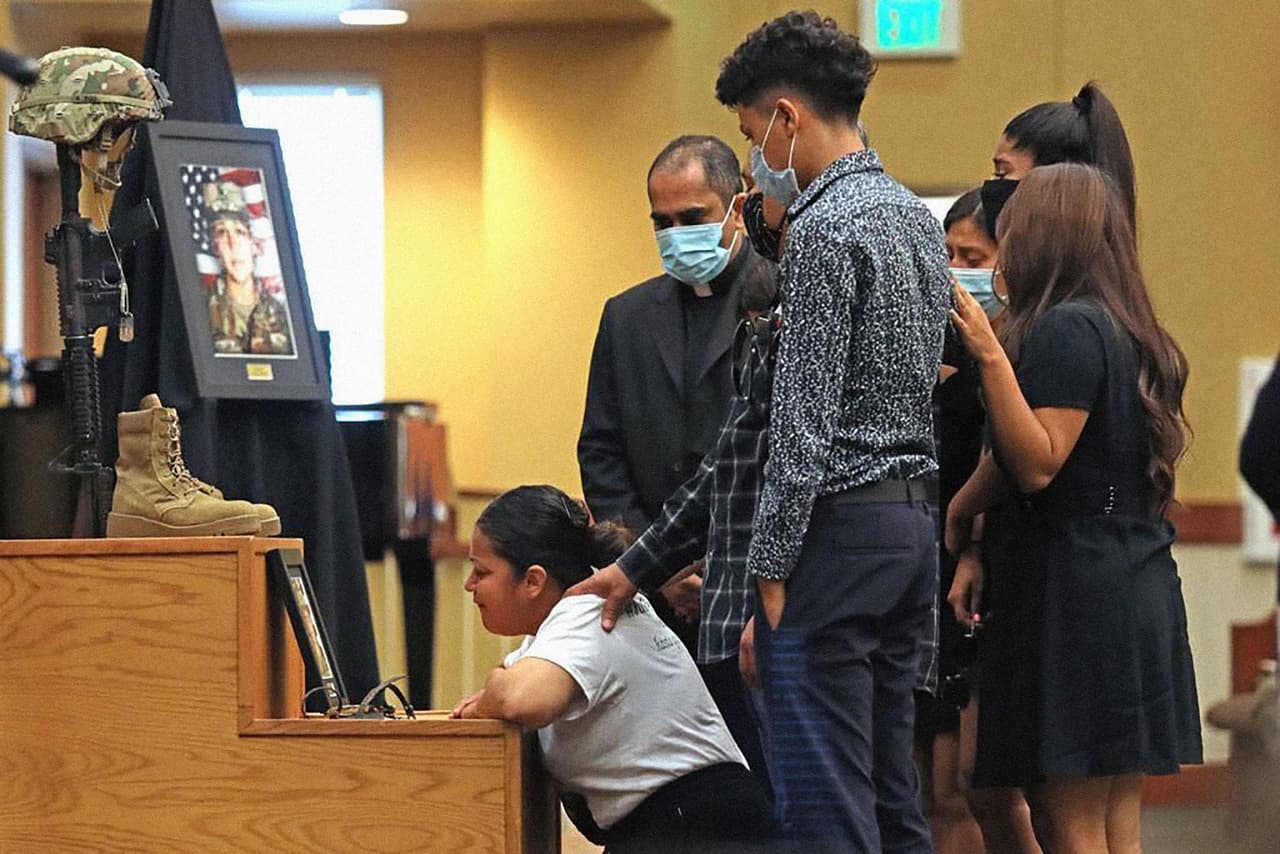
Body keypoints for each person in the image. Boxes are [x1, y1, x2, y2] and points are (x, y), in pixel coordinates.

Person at [947, 163, 1202, 853]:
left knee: (1072, 821)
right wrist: (968, 509)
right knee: (1116, 822)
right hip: (1128, 574)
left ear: (1045, 236)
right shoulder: (1128, 327)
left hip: (1078, 591)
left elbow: (1036, 460)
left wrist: (989, 356)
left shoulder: (1066, 328)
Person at [450, 485, 772, 852]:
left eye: (481, 571)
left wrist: (491, 691)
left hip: (696, 828)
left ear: (533, 581)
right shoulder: (565, 621)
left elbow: (518, 699)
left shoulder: (585, 613)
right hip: (684, 823)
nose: (469, 584)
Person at [578, 135, 773, 654]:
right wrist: (655, 564)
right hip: (650, 594)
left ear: (737, 208)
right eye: (662, 223)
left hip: (754, 586)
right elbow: (601, 452)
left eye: (692, 218)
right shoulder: (626, 316)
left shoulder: (777, 295)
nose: (676, 234)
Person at [914, 189, 996, 854]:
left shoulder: (1005, 356)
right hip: (917, 569)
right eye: (948, 255)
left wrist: (972, 542)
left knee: (954, 789)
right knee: (915, 783)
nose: (957, 270)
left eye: (973, 257)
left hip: (972, 572)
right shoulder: (929, 339)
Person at [202, 180, 293, 356]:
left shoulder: (282, 314)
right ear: (215, 247)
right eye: (222, 233)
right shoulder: (201, 309)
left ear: (253, 245)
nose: (233, 243)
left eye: (240, 232)